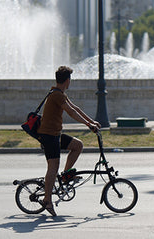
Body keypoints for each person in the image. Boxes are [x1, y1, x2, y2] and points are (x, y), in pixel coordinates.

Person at [37, 66, 101, 216]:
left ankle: (65, 175)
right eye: (70, 79)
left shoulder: (60, 93)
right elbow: (71, 112)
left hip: (55, 135)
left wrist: (92, 121)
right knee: (53, 166)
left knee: (77, 145)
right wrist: (88, 125)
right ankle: (47, 199)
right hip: (49, 136)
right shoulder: (57, 95)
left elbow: (76, 108)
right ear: (67, 80)